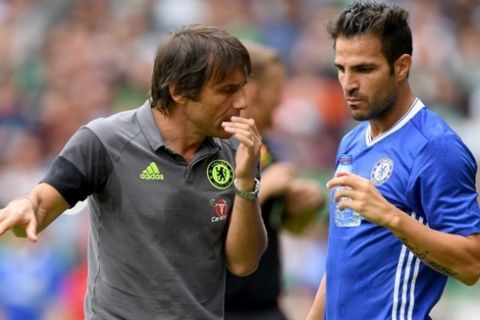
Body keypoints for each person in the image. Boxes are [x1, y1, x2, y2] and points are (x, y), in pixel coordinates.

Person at [0, 24, 268, 320]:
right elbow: (41, 203)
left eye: (242, 86)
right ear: (178, 91)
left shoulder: (235, 152)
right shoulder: (104, 141)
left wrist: (246, 183)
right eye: (227, 91)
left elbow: (244, 263)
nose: (242, 102)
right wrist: (25, 205)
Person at [306, 2, 480, 320]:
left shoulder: (435, 148)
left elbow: (471, 265)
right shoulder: (351, 142)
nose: (348, 84)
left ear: (401, 67)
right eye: (341, 68)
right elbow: (341, 260)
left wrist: (390, 216)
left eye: (363, 69)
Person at [224, 41, 324, 320]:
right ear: (254, 91)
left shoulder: (268, 151)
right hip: (222, 309)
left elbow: (289, 225)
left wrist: (302, 206)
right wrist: (262, 189)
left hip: (266, 306)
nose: (282, 100)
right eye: (278, 90)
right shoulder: (213, 150)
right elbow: (207, 227)